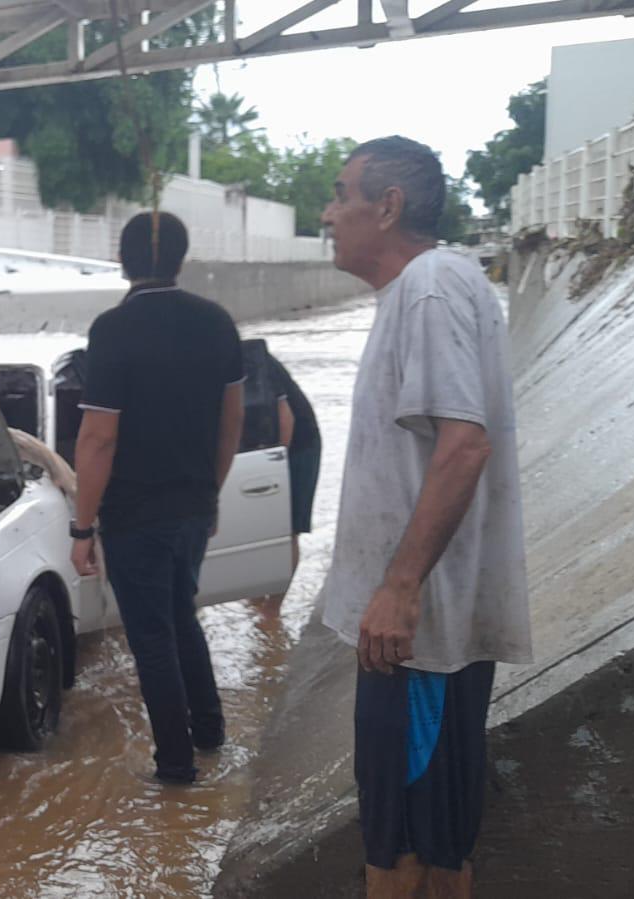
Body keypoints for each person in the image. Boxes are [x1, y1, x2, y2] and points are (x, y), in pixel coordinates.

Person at [320, 136, 532, 898]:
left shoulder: (430, 286)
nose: (328, 212)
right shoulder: (428, 288)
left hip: (419, 637)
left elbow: (462, 445)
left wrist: (400, 586)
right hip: (419, 634)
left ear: (387, 207)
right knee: (436, 845)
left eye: (341, 194)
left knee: (400, 850)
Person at [71, 211, 246, 785]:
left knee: (152, 639)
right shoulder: (218, 323)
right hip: (193, 506)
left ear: (123, 261)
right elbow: (231, 423)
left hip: (134, 514)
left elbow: (98, 437)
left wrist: (81, 527)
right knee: (182, 617)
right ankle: (210, 734)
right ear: (180, 257)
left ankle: (175, 766)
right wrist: (209, 495)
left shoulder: (112, 330)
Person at [256, 349, 321, 616]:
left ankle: (272, 610)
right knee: (257, 529)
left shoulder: (256, 363)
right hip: (262, 447)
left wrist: (274, 469)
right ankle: (257, 598)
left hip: (297, 447)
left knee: (286, 529)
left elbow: (287, 418)